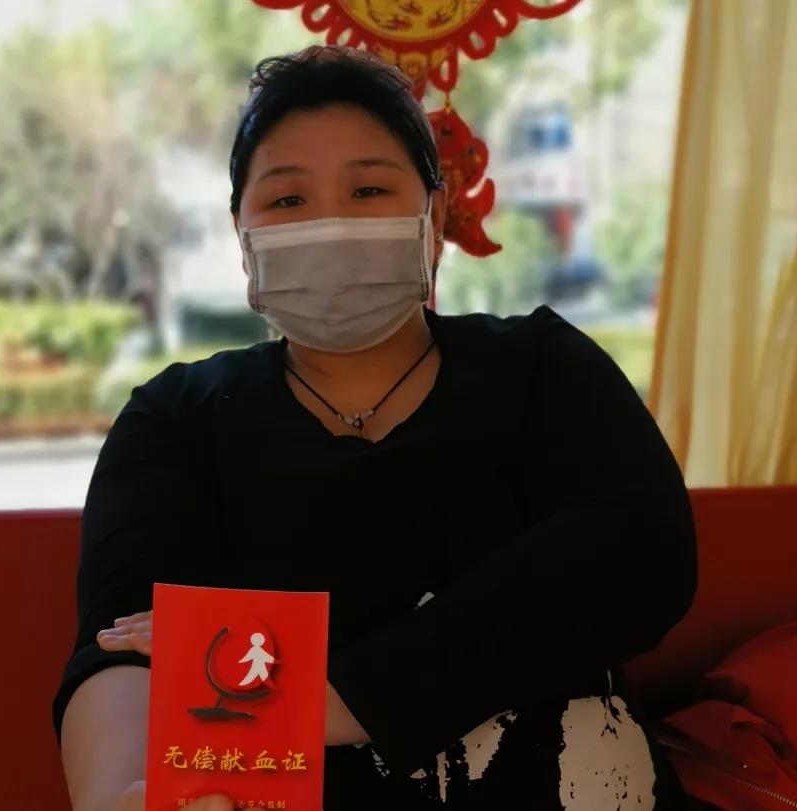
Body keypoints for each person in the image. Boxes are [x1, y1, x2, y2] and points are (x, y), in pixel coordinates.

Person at [54, 45, 697, 811]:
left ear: (433, 219)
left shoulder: (541, 368)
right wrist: (123, 792)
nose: (329, 223)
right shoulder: (177, 418)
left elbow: (642, 551)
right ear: (241, 233)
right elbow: (122, 644)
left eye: (368, 189)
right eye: (287, 200)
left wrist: (326, 700)